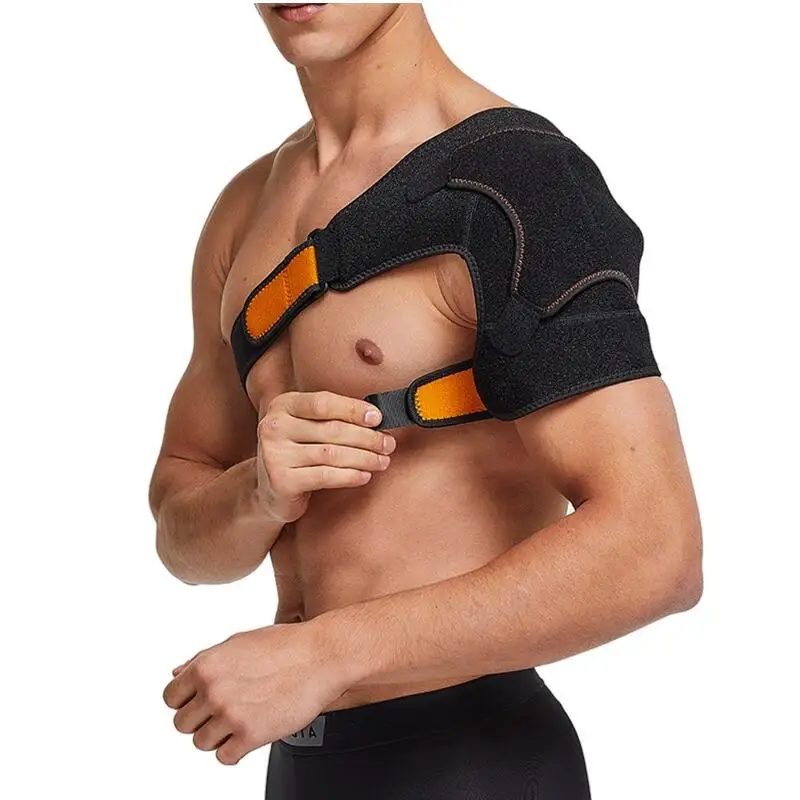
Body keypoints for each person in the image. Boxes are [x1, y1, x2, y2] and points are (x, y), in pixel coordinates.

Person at [151, 4, 703, 798]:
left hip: (473, 762)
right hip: (301, 763)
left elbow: (659, 549)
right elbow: (179, 534)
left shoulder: (522, 184)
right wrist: (257, 493)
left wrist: (328, 653)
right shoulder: (245, 212)